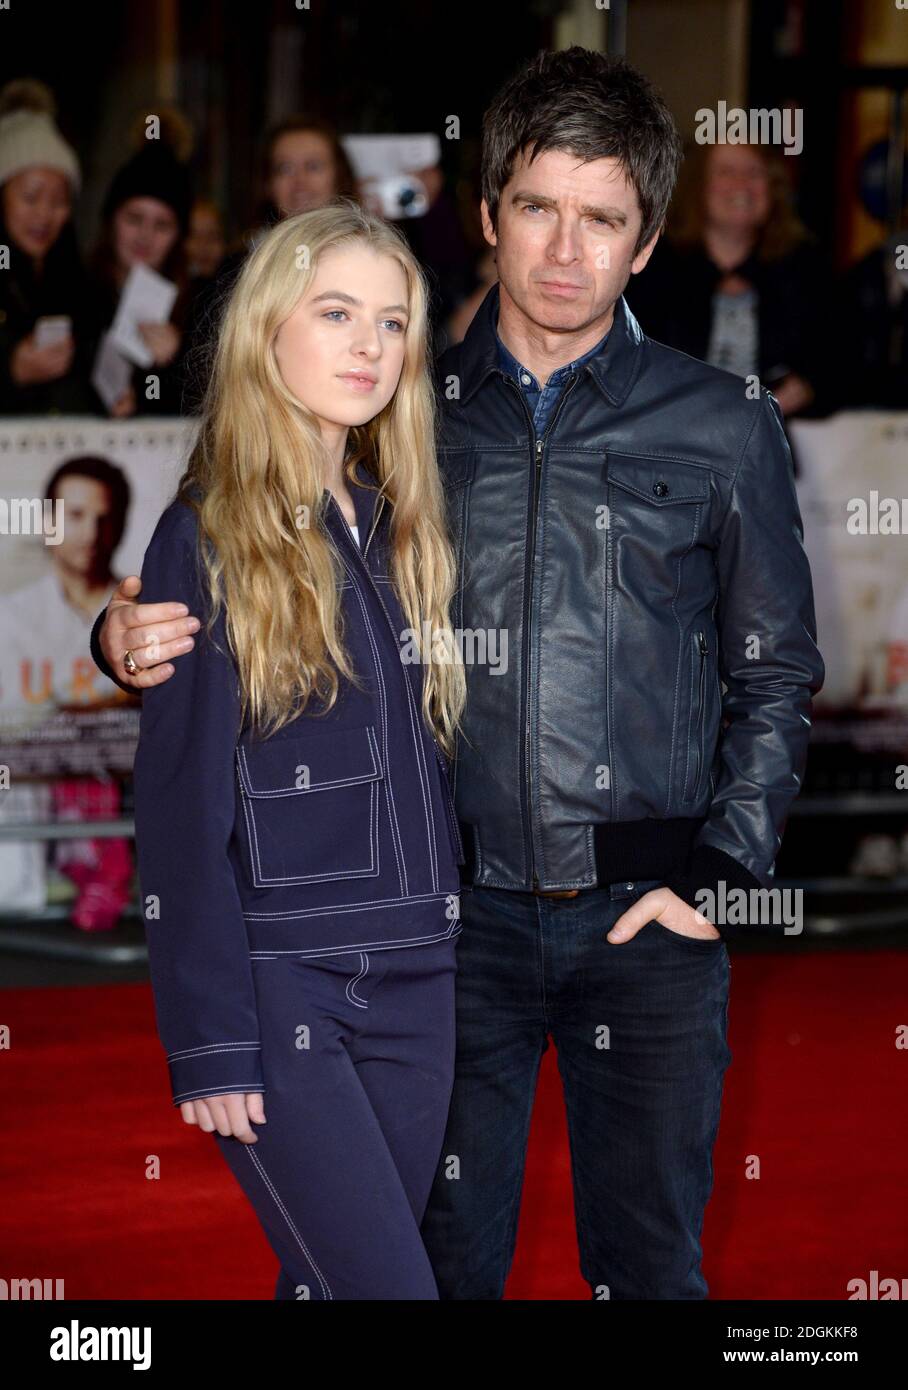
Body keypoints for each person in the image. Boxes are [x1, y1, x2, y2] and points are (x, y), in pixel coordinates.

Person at [90, 49, 825, 1301]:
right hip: (446, 923)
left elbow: (777, 669)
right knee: (422, 1267)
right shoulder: (401, 410)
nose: (562, 250)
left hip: (645, 923)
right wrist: (126, 640)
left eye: (602, 220)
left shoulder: (719, 422)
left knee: (649, 1271)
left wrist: (721, 869)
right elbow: (246, 549)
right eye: (535, 207)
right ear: (486, 215)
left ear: (644, 243)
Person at [93, 200, 468, 1299]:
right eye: (337, 311)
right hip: (283, 985)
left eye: (393, 323)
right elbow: (174, 808)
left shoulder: (401, 519)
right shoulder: (204, 533)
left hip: (420, 977)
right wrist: (209, 1035)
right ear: (268, 332)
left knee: (328, 1283)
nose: (369, 344)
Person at [624, 139, 829, 419]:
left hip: (767, 442)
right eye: (726, 172)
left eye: (754, 173)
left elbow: (838, 364)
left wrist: (806, 387)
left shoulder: (805, 271)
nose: (741, 184)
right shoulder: (650, 268)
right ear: (697, 185)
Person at [89, 119, 200, 417]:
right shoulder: (76, 293)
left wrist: (177, 360)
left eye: (162, 225)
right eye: (134, 219)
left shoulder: (199, 308)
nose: (145, 237)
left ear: (179, 237)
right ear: (111, 222)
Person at [0, 79, 98, 415]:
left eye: (59, 201)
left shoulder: (75, 277)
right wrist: (12, 372)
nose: (44, 214)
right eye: (30, 197)